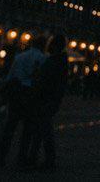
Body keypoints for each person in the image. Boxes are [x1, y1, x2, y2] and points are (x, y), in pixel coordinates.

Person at [0, 35, 47, 168]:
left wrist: (5, 96)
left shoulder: (19, 57)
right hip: (31, 95)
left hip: (17, 93)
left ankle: (0, 158)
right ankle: (21, 159)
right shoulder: (43, 59)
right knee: (27, 130)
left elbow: (10, 76)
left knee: (9, 127)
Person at [28, 34, 68, 170]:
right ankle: (34, 156)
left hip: (45, 99)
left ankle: (48, 159)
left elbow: (45, 80)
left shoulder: (54, 62)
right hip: (50, 99)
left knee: (44, 130)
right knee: (41, 129)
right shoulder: (60, 61)